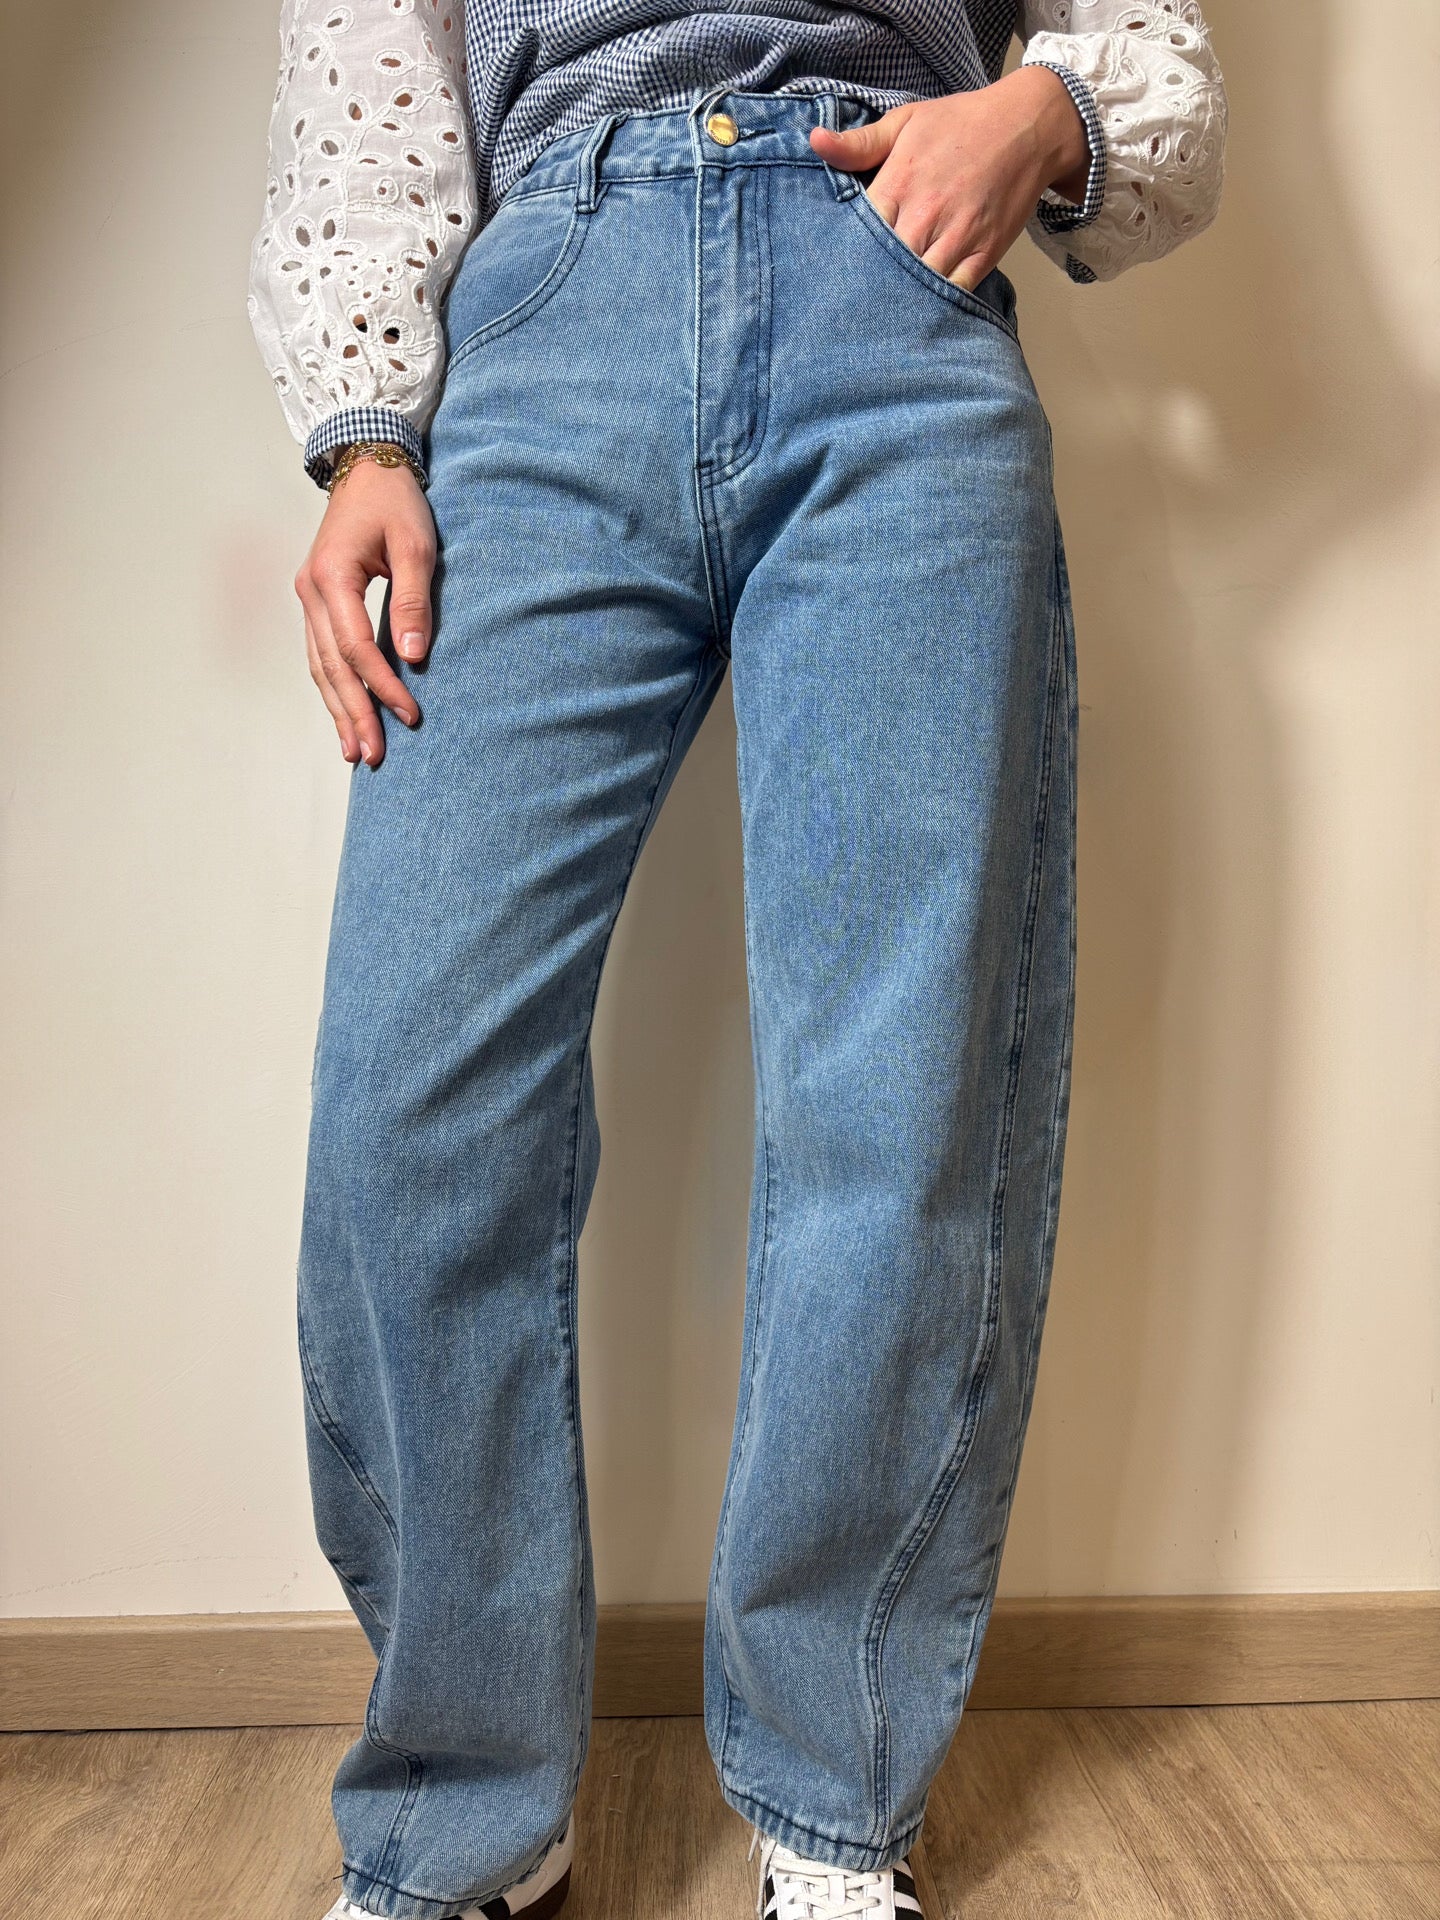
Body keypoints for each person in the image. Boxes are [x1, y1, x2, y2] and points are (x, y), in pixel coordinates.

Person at [248, 2, 1226, 1915]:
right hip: (549, 311)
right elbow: (359, 47)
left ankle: (833, 1802)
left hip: (895, 295)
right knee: (411, 1103)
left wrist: (1041, 110)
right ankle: (461, 1810)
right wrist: (364, 434)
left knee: (900, 1102)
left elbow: (1150, 45)